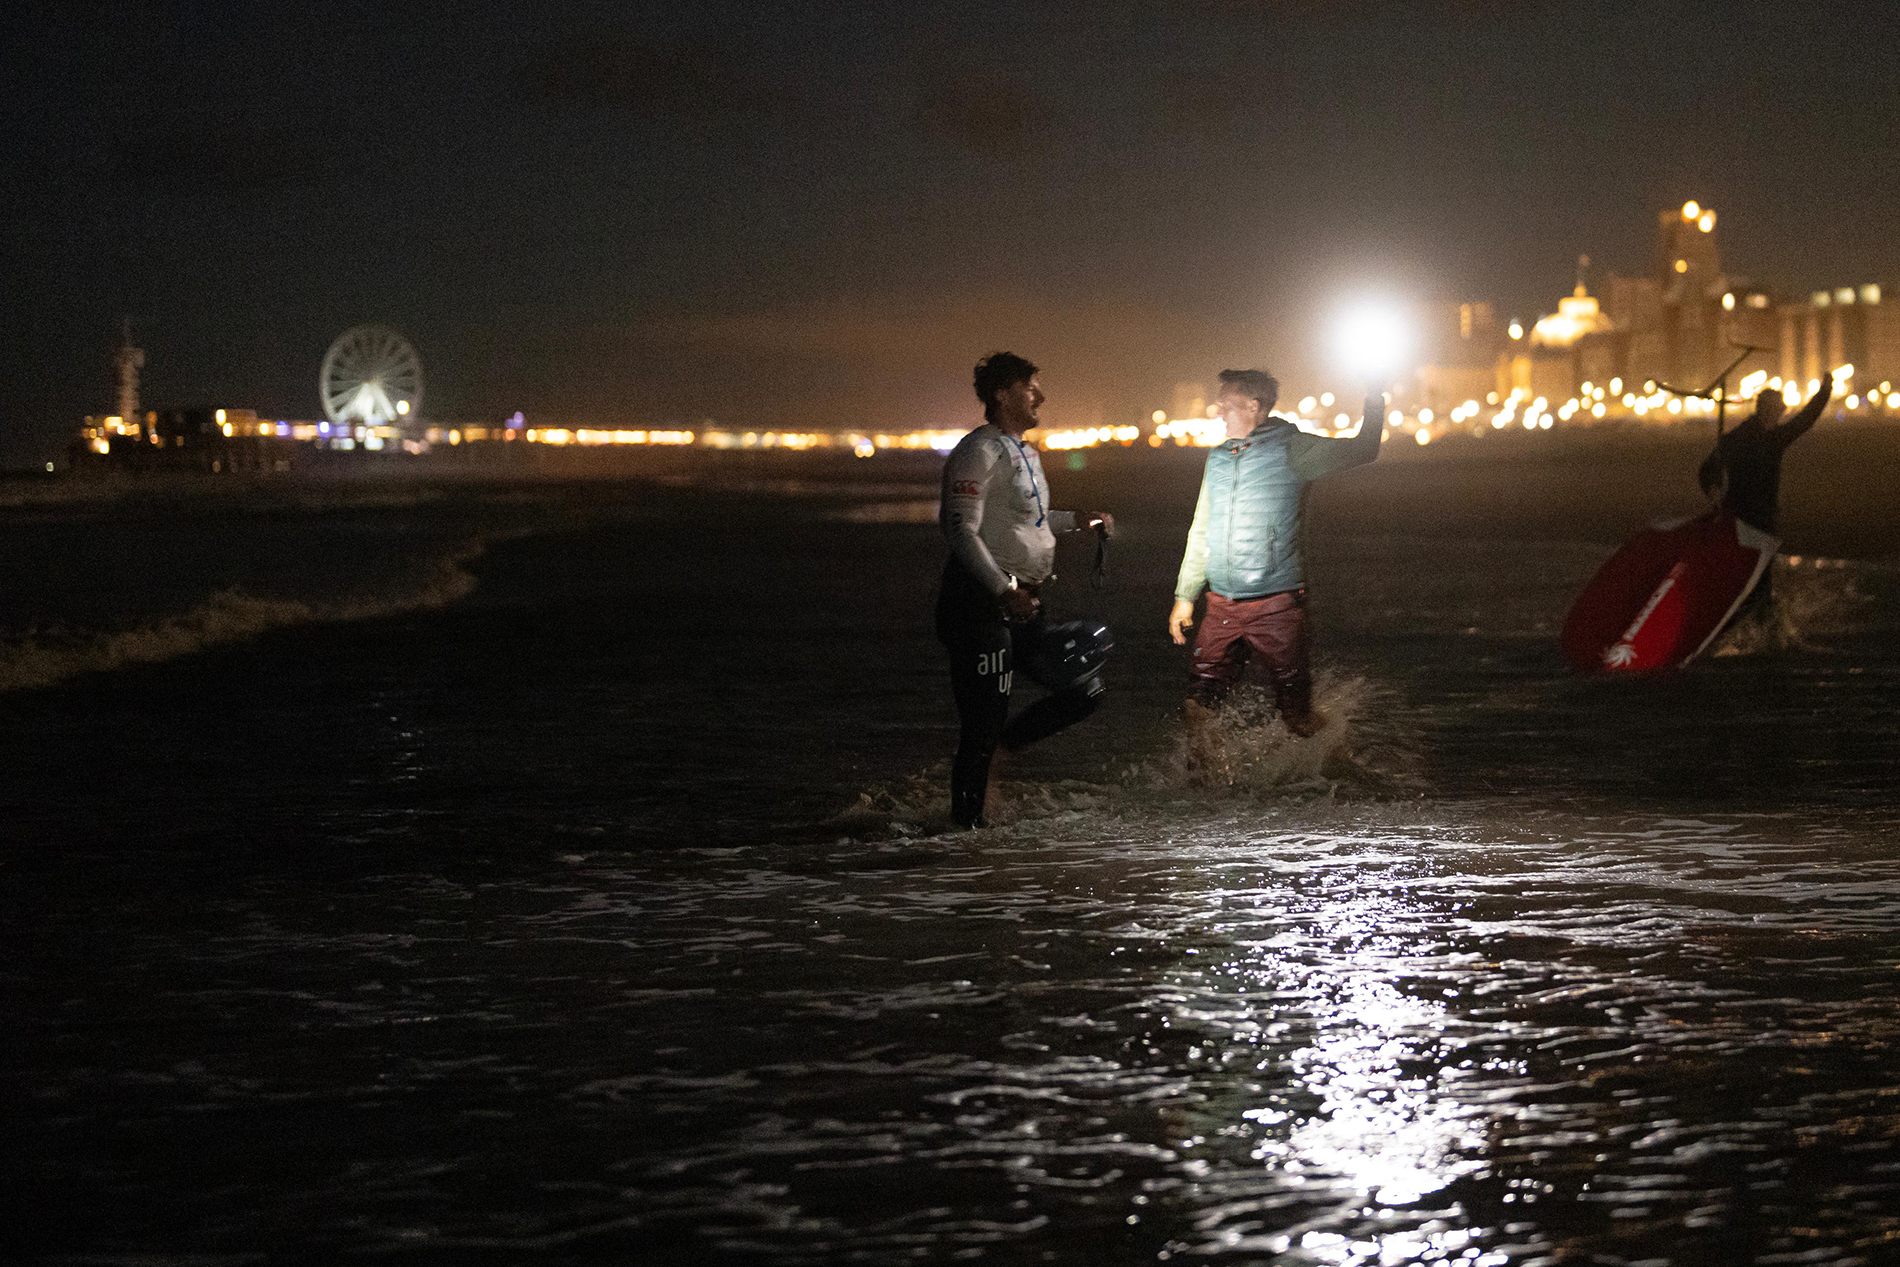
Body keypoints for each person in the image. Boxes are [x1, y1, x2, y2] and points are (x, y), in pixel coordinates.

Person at [937, 352, 1114, 828]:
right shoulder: (980, 451)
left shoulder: (1026, 452)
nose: (1041, 396)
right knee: (981, 724)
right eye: (1031, 387)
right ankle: (965, 841)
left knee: (1084, 690)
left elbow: (1026, 520)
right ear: (1002, 393)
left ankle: (1002, 754)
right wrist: (1000, 588)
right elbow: (960, 531)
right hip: (980, 604)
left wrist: (1076, 521)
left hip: (1024, 604)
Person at [1168, 368, 1382, 761]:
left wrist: (1374, 394)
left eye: (1225, 403)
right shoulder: (1217, 460)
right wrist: (1185, 596)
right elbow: (1201, 530)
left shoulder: (1293, 449)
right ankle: (1209, 791)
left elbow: (1365, 448)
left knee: (1296, 719)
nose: (1217, 411)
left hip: (1277, 606)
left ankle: (1343, 766)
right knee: (1197, 707)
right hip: (1222, 607)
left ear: (1253, 406)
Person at [1698, 372, 1833, 535]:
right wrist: (1713, 488)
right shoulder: (1756, 438)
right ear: (1770, 410)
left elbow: (1805, 419)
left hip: (1752, 513)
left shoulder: (1763, 436)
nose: (1782, 412)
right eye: (1779, 408)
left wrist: (1824, 392)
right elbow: (1709, 468)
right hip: (1746, 516)